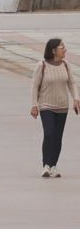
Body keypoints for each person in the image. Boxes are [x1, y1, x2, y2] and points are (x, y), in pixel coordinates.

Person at [33, 38, 80, 177]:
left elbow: (72, 83)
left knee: (57, 137)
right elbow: (34, 86)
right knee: (49, 134)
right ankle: (46, 165)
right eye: (62, 47)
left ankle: (53, 165)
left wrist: (76, 98)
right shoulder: (41, 65)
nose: (64, 50)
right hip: (46, 105)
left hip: (62, 106)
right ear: (53, 50)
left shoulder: (65, 64)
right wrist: (34, 104)